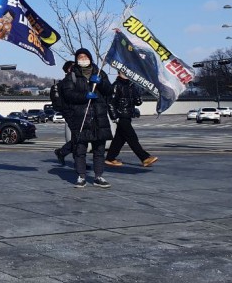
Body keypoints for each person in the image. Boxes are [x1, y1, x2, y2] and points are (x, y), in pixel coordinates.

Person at [59, 48, 114, 188]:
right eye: (80, 57)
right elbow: (68, 94)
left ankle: (98, 176)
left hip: (98, 117)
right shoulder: (72, 75)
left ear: (90, 58)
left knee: (99, 150)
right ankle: (81, 176)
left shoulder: (100, 73)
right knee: (80, 149)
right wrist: (84, 96)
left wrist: (101, 83)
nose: (83, 59)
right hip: (81, 117)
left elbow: (109, 91)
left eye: (85, 56)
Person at [105, 71, 158, 168]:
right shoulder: (116, 85)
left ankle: (110, 158)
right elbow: (110, 102)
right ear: (118, 73)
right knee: (132, 137)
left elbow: (137, 102)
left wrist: (138, 96)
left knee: (119, 139)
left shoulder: (131, 85)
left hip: (128, 115)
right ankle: (144, 158)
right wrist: (114, 117)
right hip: (121, 116)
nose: (126, 74)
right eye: (123, 72)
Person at [51, 61, 76, 165]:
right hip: (70, 112)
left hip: (73, 112)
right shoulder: (66, 83)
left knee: (78, 137)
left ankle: (65, 153)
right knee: (79, 136)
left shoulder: (74, 80)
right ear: (69, 69)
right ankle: (63, 152)